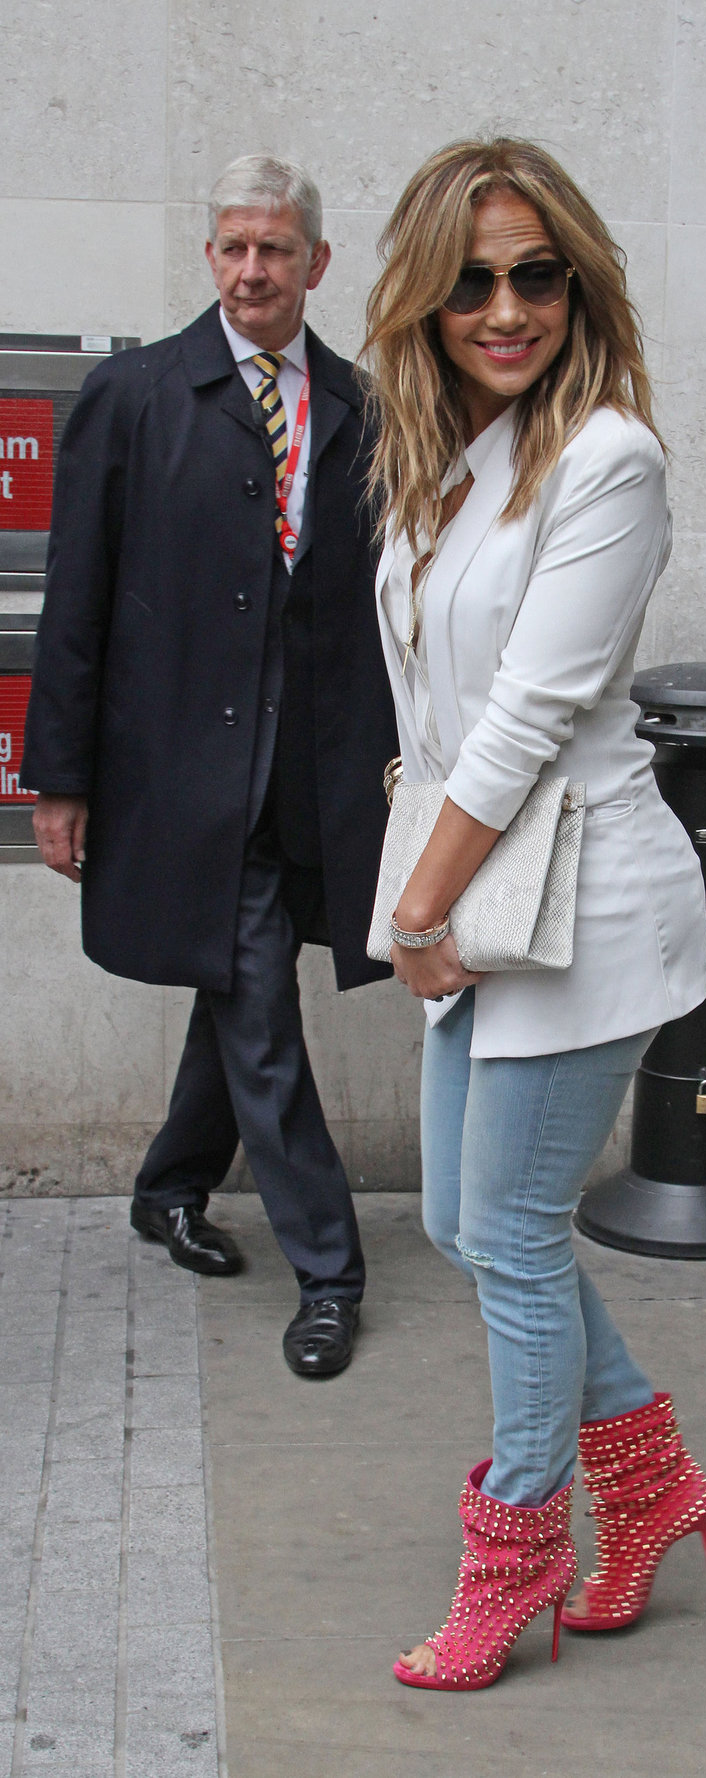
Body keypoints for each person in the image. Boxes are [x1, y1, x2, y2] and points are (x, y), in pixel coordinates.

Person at [364, 137, 706, 1691]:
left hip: (571, 904)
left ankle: (517, 1552)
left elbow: (527, 717)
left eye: (534, 274)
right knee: (464, 1219)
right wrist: (423, 877)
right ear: (427, 304)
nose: (505, 307)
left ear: (577, 279)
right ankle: (653, 1486)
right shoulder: (459, 455)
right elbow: (446, 702)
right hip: (487, 893)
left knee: (505, 1232)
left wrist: (416, 908)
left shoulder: (606, 459)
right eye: (471, 282)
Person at [22, 155, 399, 1379]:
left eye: (275, 250)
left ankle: (170, 1184)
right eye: (233, 246)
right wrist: (58, 778)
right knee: (260, 1008)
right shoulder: (133, 395)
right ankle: (331, 1271)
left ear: (315, 265)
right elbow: (73, 600)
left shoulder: (361, 407)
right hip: (184, 778)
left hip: (312, 780)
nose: (251, 270)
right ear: (211, 257)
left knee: (233, 994)